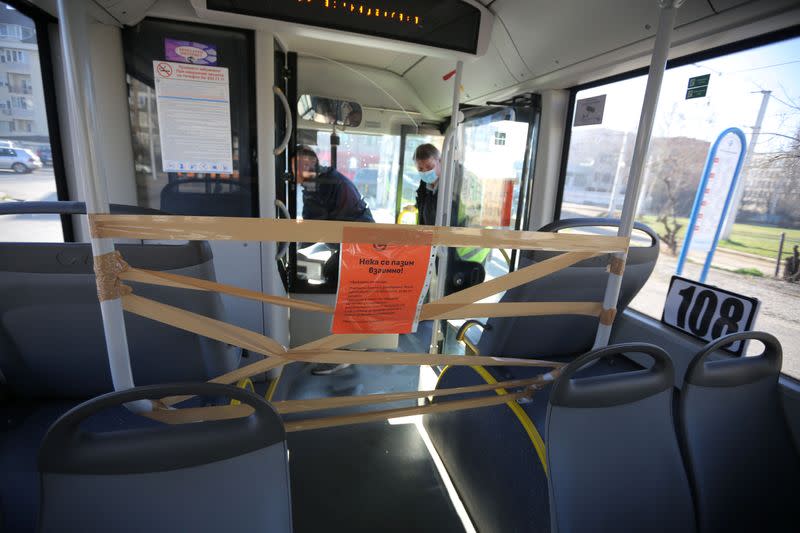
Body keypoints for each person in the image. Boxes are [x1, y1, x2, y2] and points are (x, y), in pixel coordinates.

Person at [292, 146, 373, 376]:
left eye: (296, 167)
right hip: (357, 241)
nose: (292, 174)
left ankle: (341, 352)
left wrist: (302, 264)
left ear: (307, 166)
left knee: (331, 293)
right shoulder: (326, 178)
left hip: (353, 243)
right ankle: (347, 345)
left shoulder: (316, 184)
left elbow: (315, 228)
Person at [412, 143, 489, 293]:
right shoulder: (428, 184)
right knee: (441, 290)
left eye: (429, 166)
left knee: (453, 293)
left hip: (463, 249)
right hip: (443, 246)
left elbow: (450, 217)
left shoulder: (455, 183)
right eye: (420, 169)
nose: (425, 172)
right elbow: (426, 211)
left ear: (439, 161)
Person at [293, 145, 374, 223]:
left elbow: (313, 226)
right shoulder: (329, 176)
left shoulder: (317, 187)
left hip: (356, 232)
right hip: (362, 228)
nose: (292, 172)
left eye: (295, 166)